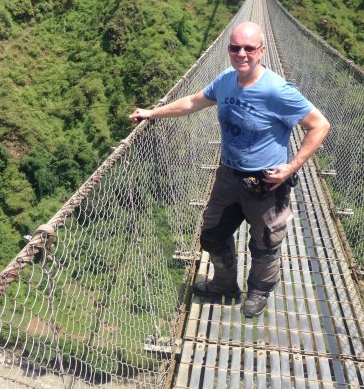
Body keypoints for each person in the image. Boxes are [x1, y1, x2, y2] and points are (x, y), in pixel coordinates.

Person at [130, 21, 330, 317]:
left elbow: (319, 124)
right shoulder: (226, 80)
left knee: (264, 244)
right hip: (228, 176)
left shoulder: (277, 91)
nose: (242, 53)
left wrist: (291, 167)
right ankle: (224, 284)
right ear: (228, 50)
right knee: (212, 235)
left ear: (262, 51)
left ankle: (259, 291)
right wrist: (152, 113)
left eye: (249, 48)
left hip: (264, 182)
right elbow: (193, 101)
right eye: (235, 47)